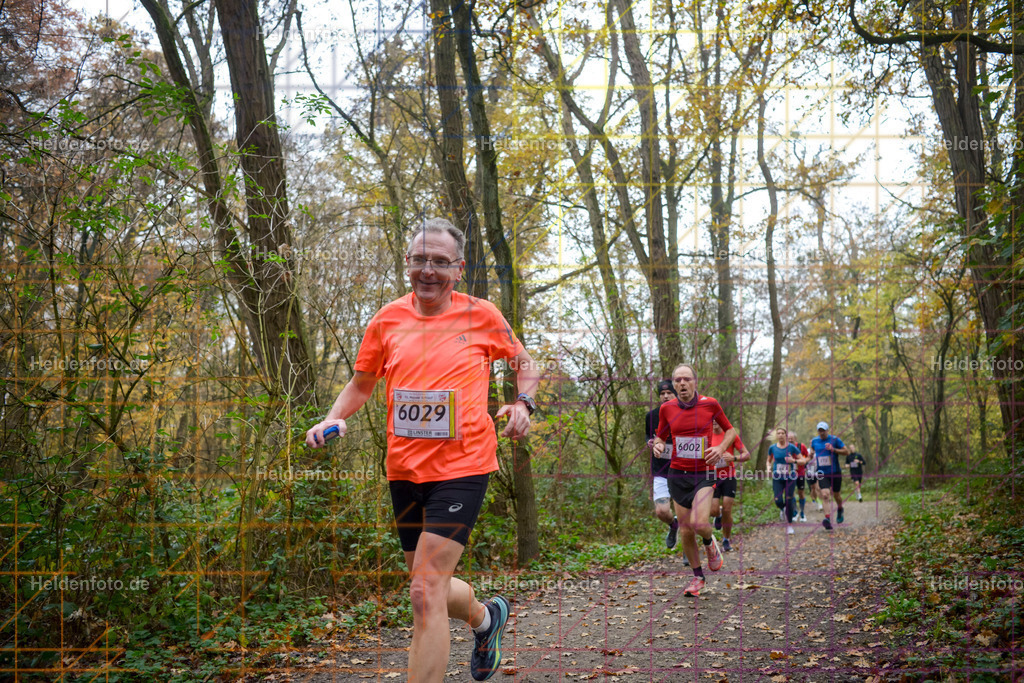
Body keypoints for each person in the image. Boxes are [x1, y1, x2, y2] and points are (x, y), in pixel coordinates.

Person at [305, 218, 540, 682]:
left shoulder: (482, 315)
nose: (427, 270)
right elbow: (362, 383)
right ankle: (486, 618)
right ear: (407, 263)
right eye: (419, 260)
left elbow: (524, 363)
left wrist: (523, 403)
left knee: (424, 592)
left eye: (439, 262)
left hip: (465, 466)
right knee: (425, 582)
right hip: (405, 471)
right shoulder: (387, 319)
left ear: (458, 268)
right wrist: (335, 417)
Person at [652, 364, 737, 597]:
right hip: (678, 475)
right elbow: (661, 436)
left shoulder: (710, 404)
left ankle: (710, 542)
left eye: (686, 379)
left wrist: (720, 448)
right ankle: (698, 577)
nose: (682, 383)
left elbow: (730, 430)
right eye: (677, 380)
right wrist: (658, 445)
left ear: (695, 382)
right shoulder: (667, 409)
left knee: (700, 523)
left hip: (704, 473)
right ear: (673, 384)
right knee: (687, 530)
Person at [646, 380, 679, 549]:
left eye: (669, 393)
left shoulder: (685, 414)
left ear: (676, 394)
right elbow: (648, 436)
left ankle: (689, 550)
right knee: (661, 511)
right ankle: (674, 526)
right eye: (662, 393)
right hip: (661, 470)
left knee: (687, 513)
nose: (665, 396)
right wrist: (650, 443)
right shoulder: (651, 416)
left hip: (683, 470)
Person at [709, 421, 750, 552]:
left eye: (717, 420)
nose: (715, 423)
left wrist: (734, 458)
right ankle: (718, 514)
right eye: (712, 421)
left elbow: (747, 454)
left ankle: (726, 539)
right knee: (713, 510)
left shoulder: (730, 435)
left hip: (728, 476)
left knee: (728, 508)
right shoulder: (705, 435)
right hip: (711, 477)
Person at [810, 421, 849, 530]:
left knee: (836, 495)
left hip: (835, 472)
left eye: (823, 430)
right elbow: (813, 449)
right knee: (825, 494)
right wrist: (811, 453)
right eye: (819, 430)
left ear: (827, 430)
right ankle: (827, 519)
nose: (821, 433)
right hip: (822, 473)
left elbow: (847, 451)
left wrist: (834, 449)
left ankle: (840, 508)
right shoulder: (814, 441)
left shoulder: (835, 440)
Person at [767, 427, 803, 535]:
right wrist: (768, 468)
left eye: (783, 433)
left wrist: (794, 460)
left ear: (786, 435)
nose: (781, 435)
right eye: (779, 433)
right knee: (778, 500)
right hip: (777, 477)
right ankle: (782, 509)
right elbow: (768, 461)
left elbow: (803, 460)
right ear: (777, 436)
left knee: (788, 499)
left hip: (790, 478)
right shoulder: (772, 448)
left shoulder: (792, 447)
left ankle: (790, 525)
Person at [789, 431, 811, 522]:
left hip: (800, 473)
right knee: (791, 493)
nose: (790, 440)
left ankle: (802, 512)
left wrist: (803, 461)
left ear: (795, 439)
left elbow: (808, 457)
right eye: (788, 439)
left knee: (801, 492)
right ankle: (795, 512)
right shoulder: (784, 447)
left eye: (791, 438)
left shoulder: (801, 446)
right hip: (790, 473)